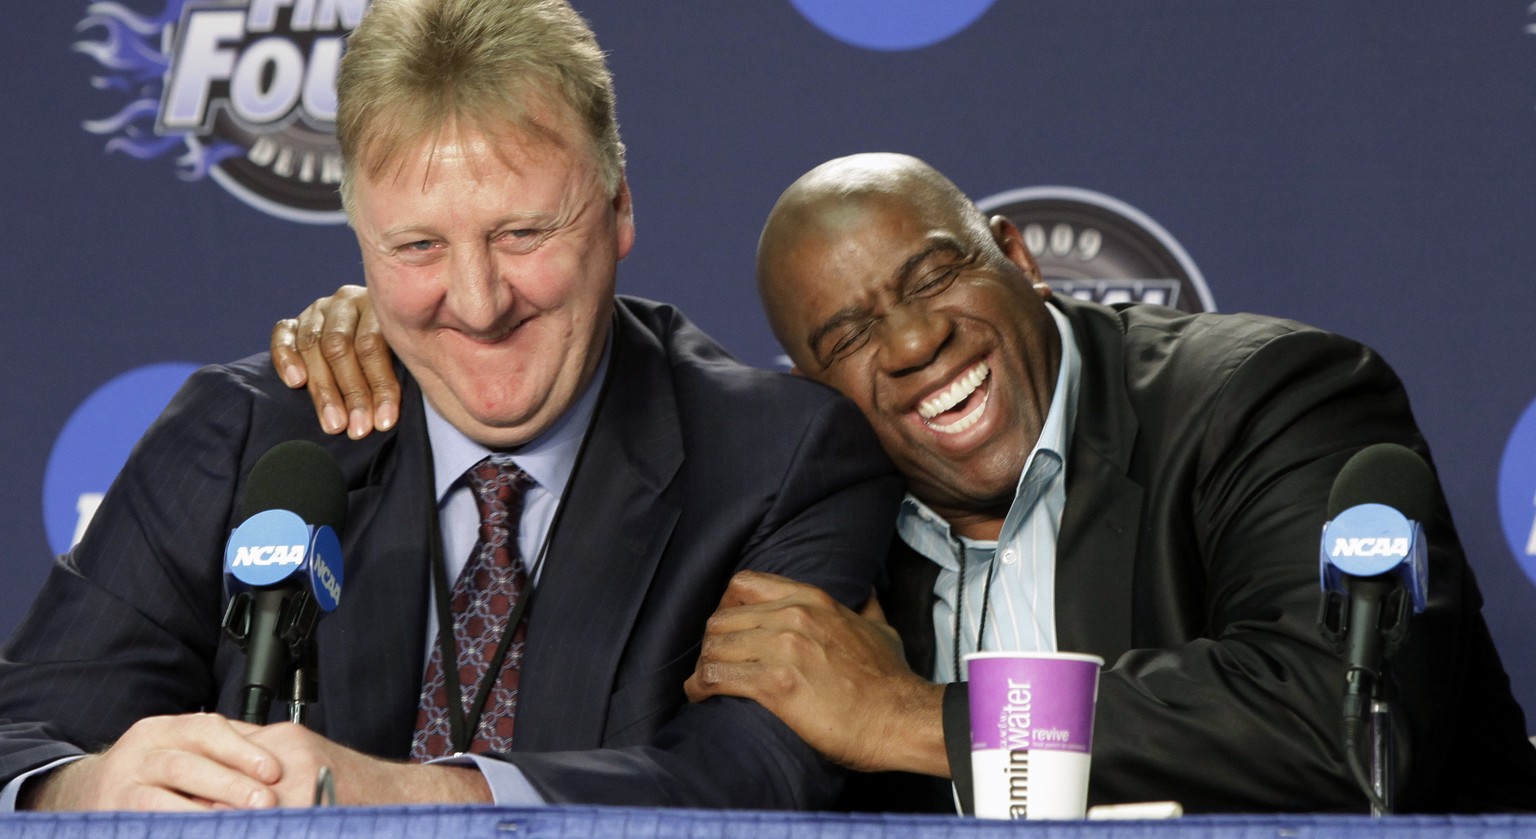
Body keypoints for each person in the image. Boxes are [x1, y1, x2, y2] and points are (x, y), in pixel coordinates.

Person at [277, 152, 1536, 814]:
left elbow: (1343, 719)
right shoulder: (810, 505)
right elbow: (590, 376)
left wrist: (905, 714)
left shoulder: (1273, 397)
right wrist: (414, 324)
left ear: (1024, 259)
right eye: (844, 337)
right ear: (811, 383)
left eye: (935, 277)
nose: (912, 341)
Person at [0, 1, 901, 812]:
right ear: (360, 243)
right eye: (419, 246)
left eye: (522, 234)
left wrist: (397, 800)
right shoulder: (244, 431)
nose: (477, 301)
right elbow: (20, 733)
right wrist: (82, 789)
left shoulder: (779, 460)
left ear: (620, 209)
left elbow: (757, 779)